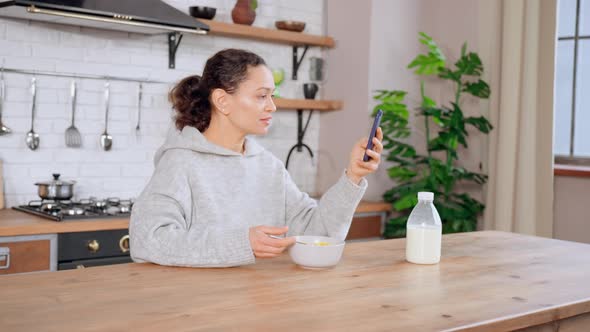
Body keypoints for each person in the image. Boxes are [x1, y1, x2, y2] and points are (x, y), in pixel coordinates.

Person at [129, 49, 383, 267]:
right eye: (262, 96)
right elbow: (148, 240)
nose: (272, 106)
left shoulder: (267, 165)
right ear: (222, 101)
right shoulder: (180, 163)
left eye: (272, 96)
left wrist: (353, 176)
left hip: (260, 304)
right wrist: (242, 243)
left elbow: (314, 232)